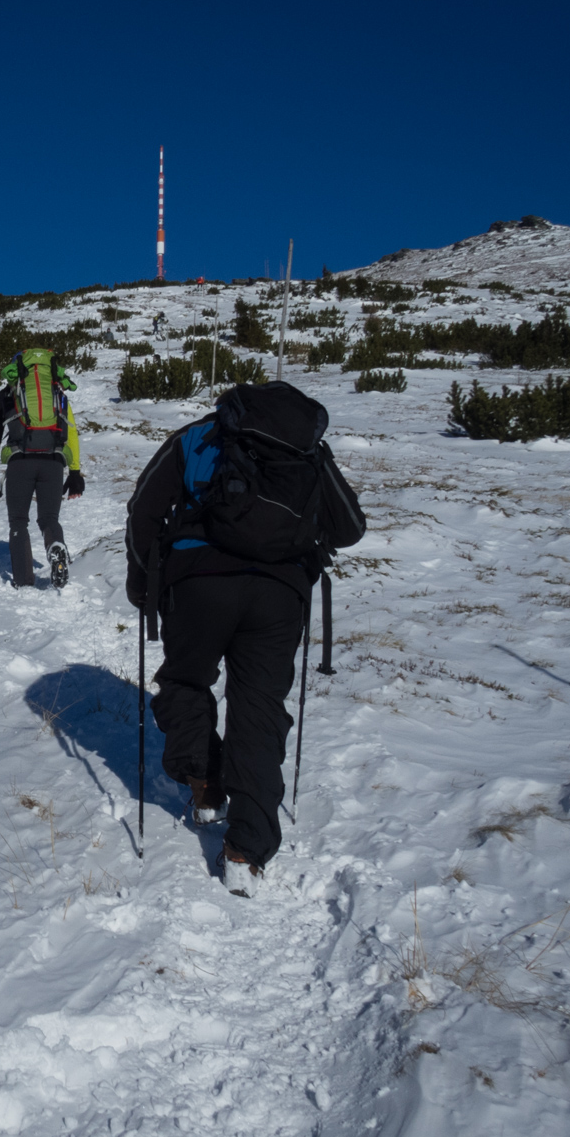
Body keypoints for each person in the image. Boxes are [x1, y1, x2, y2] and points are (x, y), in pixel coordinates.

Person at [124, 381, 364, 895]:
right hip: (280, 594)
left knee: (185, 681)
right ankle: (245, 852)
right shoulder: (306, 451)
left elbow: (144, 509)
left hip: (198, 584)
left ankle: (206, 784)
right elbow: (350, 529)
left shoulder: (196, 437)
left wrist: (142, 583)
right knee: (258, 709)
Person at [0, 348, 85, 588]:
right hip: (54, 462)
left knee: (18, 521)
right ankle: (55, 546)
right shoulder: (58, 394)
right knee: (49, 518)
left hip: (20, 462)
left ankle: (23, 582)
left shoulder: (7, 395)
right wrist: (75, 473)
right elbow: (72, 433)